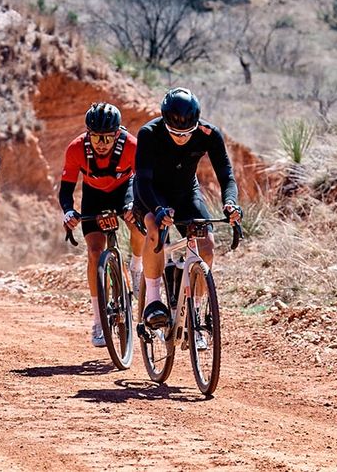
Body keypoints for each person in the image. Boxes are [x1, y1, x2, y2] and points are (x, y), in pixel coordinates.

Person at [133, 88, 241, 338]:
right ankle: (152, 301)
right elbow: (143, 181)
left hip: (185, 192)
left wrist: (231, 204)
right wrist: (158, 209)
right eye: (175, 133)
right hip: (152, 192)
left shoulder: (209, 134)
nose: (181, 138)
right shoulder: (150, 133)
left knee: (207, 246)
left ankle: (194, 313)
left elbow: (226, 176)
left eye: (186, 133)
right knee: (154, 227)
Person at [59, 102, 143, 347]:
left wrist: (131, 205)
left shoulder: (132, 146)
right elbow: (66, 190)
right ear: (88, 134)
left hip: (125, 190)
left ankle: (136, 266)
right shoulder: (75, 149)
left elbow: (140, 181)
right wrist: (68, 212)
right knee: (95, 252)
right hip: (94, 196)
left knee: (137, 225)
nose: (102, 143)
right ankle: (98, 321)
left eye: (107, 137)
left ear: (118, 134)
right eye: (96, 137)